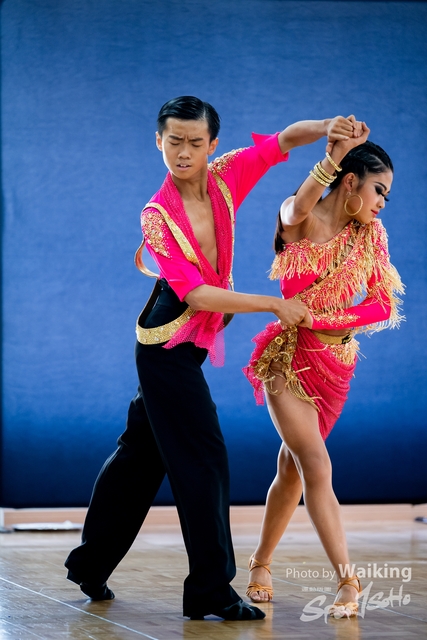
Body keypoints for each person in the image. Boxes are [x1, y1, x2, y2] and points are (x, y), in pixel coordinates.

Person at [65, 96, 356, 620]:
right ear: (159, 141)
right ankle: (210, 590)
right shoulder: (157, 215)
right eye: (173, 141)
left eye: (194, 143)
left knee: (139, 457)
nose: (183, 152)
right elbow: (197, 296)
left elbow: (283, 142)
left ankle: (89, 564)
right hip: (165, 351)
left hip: (191, 346)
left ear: (212, 145)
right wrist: (272, 303)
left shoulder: (226, 177)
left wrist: (326, 129)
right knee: (204, 456)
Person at [243, 122, 404, 618]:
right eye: (379, 190)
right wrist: (332, 154)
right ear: (351, 181)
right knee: (316, 464)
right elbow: (297, 207)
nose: (382, 203)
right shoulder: (299, 219)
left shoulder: (370, 235)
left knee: (291, 470)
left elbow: (381, 304)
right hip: (288, 362)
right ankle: (348, 581)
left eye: (387, 195)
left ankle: (259, 562)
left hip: (336, 366)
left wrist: (327, 319)